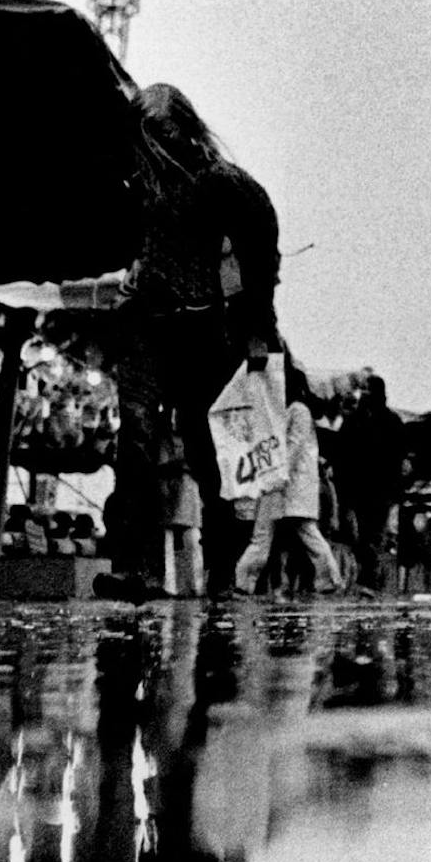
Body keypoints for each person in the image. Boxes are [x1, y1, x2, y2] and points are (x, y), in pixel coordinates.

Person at [102, 84, 280, 598]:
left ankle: (220, 571)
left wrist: (257, 330)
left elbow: (261, 258)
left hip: (203, 329)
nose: (155, 145)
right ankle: (131, 566)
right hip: (143, 325)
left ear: (186, 125)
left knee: (206, 452)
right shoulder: (136, 182)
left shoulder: (226, 184)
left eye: (162, 133)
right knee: (133, 439)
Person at [234, 364, 342, 597]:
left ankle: (243, 582)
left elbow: (293, 446)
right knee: (303, 533)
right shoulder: (295, 410)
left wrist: (275, 472)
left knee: (268, 535)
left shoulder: (296, 411)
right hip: (287, 484)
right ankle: (329, 579)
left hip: (286, 484)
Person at [334, 375, 408, 594]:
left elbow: (398, 458)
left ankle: (368, 579)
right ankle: (369, 577)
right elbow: (342, 455)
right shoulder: (360, 419)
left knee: (370, 536)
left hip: (374, 490)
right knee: (364, 537)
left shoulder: (386, 420)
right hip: (364, 489)